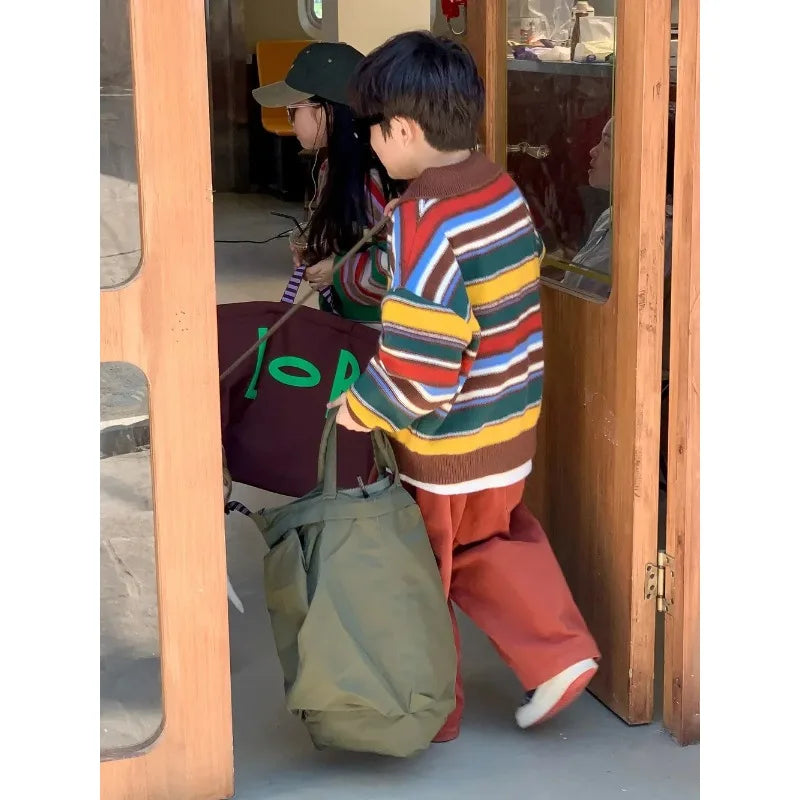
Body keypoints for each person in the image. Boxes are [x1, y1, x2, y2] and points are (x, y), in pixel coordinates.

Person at [330, 31, 600, 742]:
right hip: (507, 424)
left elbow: (420, 366)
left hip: (448, 444)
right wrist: (362, 274)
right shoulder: (495, 188)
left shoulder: (423, 221)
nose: (370, 144)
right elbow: (454, 283)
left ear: (403, 130)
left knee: (426, 572)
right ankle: (559, 653)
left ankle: (432, 712)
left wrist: (362, 408)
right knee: (493, 540)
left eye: (371, 129)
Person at [252, 42, 401, 321]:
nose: (290, 121)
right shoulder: (330, 167)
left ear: (326, 111)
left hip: (379, 328)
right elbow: (347, 235)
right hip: (343, 319)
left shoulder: (371, 179)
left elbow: (403, 261)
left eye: (292, 110)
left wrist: (338, 271)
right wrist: (317, 247)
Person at [561, 116, 674, 300]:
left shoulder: (662, 233)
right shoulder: (610, 215)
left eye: (606, 144)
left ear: (638, 157)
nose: (593, 151)